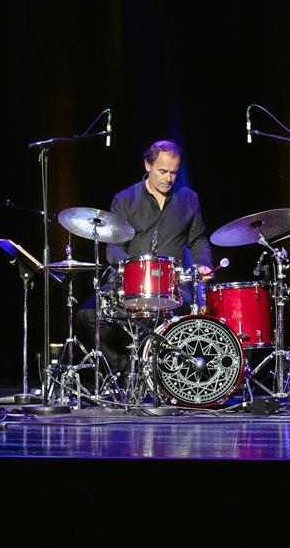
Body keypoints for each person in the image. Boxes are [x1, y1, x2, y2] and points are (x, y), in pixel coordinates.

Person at [76, 140, 213, 378]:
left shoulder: (188, 198)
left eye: (173, 172)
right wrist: (131, 270)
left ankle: (165, 373)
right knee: (89, 314)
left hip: (173, 285)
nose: (168, 178)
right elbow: (114, 247)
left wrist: (203, 263)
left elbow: (198, 239)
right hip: (131, 282)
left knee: (179, 310)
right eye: (162, 171)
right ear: (147, 165)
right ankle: (128, 369)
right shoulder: (125, 199)